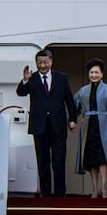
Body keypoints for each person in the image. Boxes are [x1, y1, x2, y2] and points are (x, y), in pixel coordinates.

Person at [16, 50, 77, 197]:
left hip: (58, 125)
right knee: (43, 161)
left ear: (51, 61)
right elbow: (21, 92)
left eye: (45, 62)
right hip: (39, 126)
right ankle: (45, 194)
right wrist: (25, 80)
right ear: (36, 63)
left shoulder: (62, 78)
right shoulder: (32, 78)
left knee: (59, 160)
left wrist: (72, 119)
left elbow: (69, 99)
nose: (42, 65)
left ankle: (60, 194)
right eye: (39, 62)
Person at [73, 58, 107, 198]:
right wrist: (72, 121)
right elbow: (74, 107)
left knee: (103, 158)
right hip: (88, 125)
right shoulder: (83, 91)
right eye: (91, 72)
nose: (93, 75)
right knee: (91, 159)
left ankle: (104, 188)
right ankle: (95, 189)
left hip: (105, 125)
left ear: (102, 74)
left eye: (96, 72)